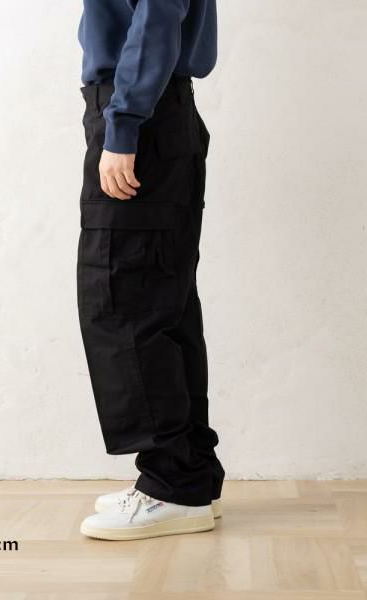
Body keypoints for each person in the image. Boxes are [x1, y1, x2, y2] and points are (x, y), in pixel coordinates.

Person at [76, 0, 225, 541]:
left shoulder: (131, 116)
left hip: (141, 112)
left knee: (123, 297)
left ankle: (171, 486)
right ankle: (186, 475)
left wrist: (123, 124)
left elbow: (157, 14)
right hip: (156, 107)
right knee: (165, 304)